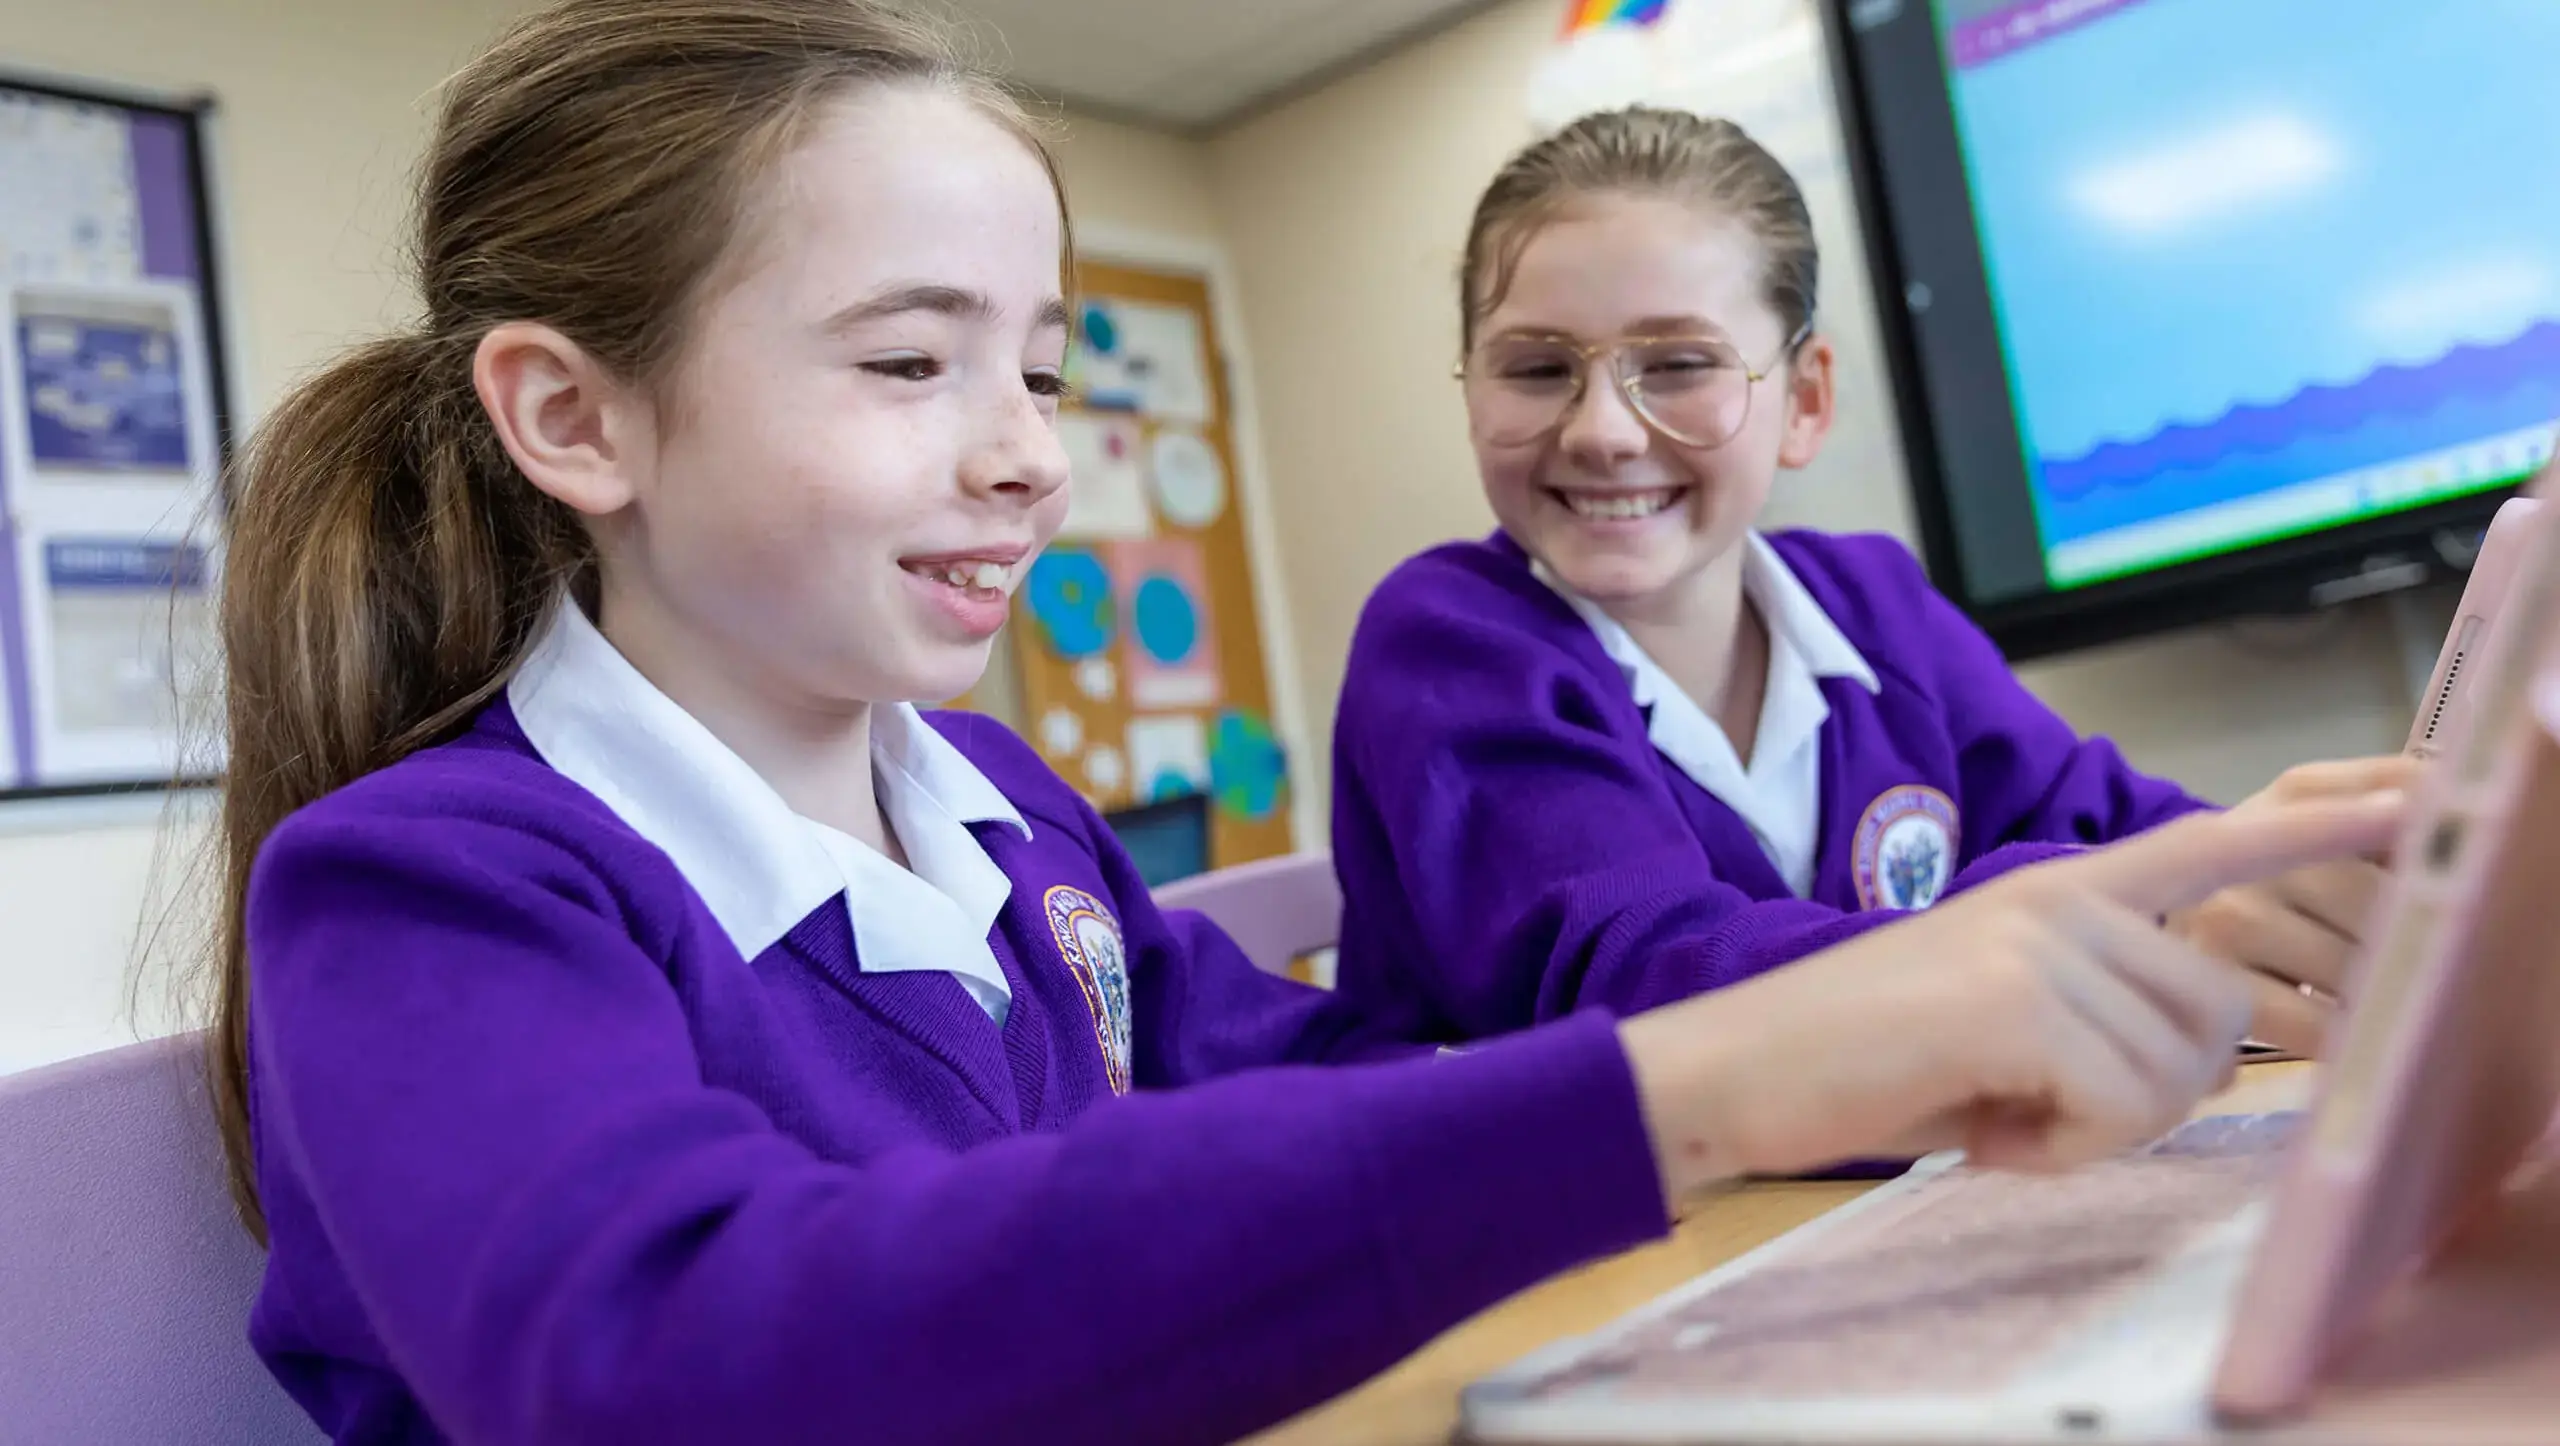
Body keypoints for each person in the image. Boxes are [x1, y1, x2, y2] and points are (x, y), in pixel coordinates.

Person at [207, 13, 2404, 1443]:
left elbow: (1356, 1084)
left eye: (1043, 370)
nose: (1027, 460)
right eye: (909, 365)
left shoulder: (993, 813)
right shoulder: (422, 883)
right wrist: (1719, 1071)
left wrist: (1910, 1033)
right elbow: (667, 1355)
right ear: (570, 416)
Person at [1330, 107, 2414, 1054]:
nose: (1604, 430)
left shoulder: (1873, 604)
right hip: (1567, 1269)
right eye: (1536, 369)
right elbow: (1649, 990)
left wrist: (2288, 876)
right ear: (1473, 388)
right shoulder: (1445, 645)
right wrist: (2127, 916)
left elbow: (2110, 826)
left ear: (1803, 399)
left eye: (1677, 364)